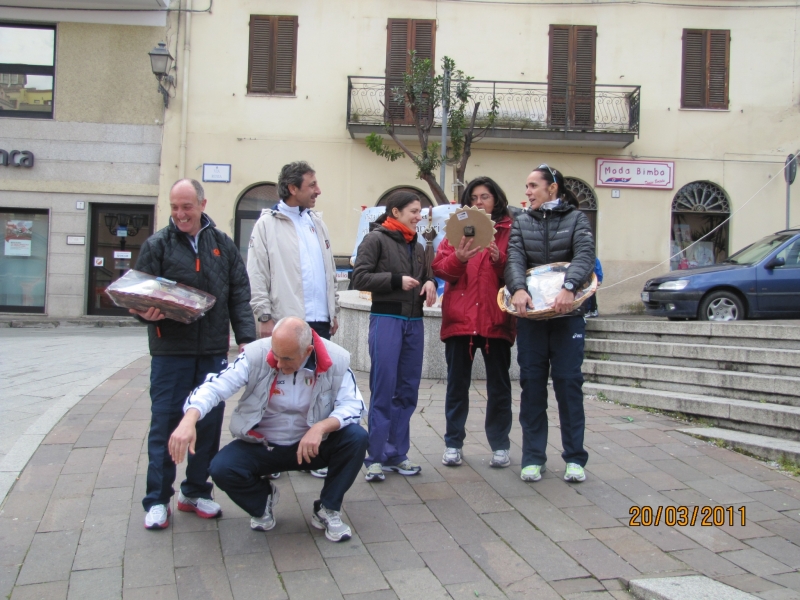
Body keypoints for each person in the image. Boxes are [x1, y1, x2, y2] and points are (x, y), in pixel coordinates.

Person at [168, 318, 368, 542]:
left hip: (312, 447)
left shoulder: (336, 359)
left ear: (308, 350)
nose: (279, 363)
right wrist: (189, 418)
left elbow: (354, 405)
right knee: (221, 467)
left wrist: (322, 427)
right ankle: (263, 499)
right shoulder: (256, 355)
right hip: (264, 446)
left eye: (287, 358)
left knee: (356, 437)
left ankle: (328, 507)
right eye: (276, 354)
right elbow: (216, 386)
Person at [131, 178, 256, 530]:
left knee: (208, 424)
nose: (180, 214)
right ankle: (157, 499)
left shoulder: (222, 245)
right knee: (167, 424)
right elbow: (137, 290)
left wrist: (246, 338)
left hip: (212, 350)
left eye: (186, 206)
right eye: (174, 207)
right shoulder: (158, 244)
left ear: (202, 204)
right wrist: (144, 311)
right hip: (171, 351)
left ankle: (196, 491)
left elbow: (238, 294)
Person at [247, 161, 339, 479]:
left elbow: (328, 271)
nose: (318, 190)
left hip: (319, 321)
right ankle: (270, 453)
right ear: (293, 189)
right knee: (274, 388)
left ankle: (312, 453)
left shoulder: (317, 223)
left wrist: (334, 309)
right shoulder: (266, 225)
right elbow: (257, 273)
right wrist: (263, 315)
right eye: (312, 185)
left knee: (317, 388)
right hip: (285, 323)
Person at [505, 164, 595, 484]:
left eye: (533, 186)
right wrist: (517, 288)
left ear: (551, 189)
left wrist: (569, 287)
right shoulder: (522, 221)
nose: (527, 192)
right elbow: (514, 259)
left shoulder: (576, 219)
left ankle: (574, 458)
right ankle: (532, 457)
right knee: (531, 385)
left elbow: (584, 255)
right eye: (527, 186)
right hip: (531, 317)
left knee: (568, 384)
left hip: (567, 316)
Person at [351, 190, 437, 482]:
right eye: (414, 211)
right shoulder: (375, 239)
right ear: (395, 212)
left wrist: (429, 284)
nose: (419, 216)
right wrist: (396, 281)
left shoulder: (421, 245)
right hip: (387, 319)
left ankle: (396, 453)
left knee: (407, 391)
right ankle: (374, 457)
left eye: (421, 211)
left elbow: (428, 275)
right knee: (384, 389)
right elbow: (359, 277)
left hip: (414, 322)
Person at [432, 176, 516, 469]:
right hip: (461, 320)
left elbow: (517, 275)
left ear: (496, 200)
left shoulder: (509, 231)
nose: (479, 202)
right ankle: (453, 443)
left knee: (500, 387)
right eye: (474, 198)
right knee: (457, 386)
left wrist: (498, 260)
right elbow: (441, 269)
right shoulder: (456, 230)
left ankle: (500, 446)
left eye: (485, 197)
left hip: (496, 319)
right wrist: (459, 257)